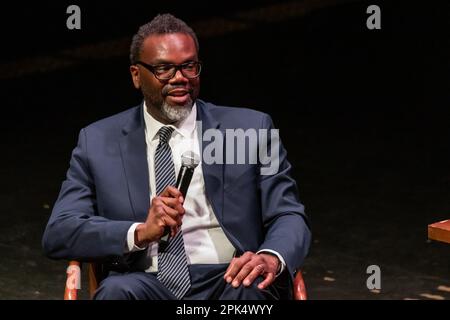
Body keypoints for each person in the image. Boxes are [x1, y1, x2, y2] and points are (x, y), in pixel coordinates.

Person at [42, 13, 311, 300]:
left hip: (232, 279)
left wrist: (270, 256)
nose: (180, 78)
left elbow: (288, 213)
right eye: (164, 69)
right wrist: (140, 232)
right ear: (136, 75)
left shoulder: (251, 129)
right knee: (116, 293)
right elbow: (60, 232)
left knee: (251, 295)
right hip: (144, 281)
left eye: (189, 66)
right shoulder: (97, 141)